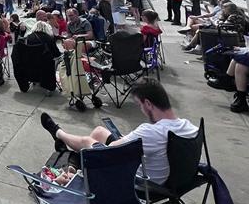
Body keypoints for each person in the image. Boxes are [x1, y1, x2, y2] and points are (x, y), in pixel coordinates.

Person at [40, 79, 197, 185]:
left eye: (140, 105)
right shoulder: (190, 127)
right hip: (171, 180)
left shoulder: (150, 131)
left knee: (89, 143)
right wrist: (128, 140)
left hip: (141, 183)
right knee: (100, 132)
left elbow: (111, 150)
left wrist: (124, 141)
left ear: (148, 104)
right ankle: (73, 158)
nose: (141, 110)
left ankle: (58, 133)